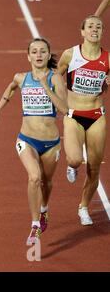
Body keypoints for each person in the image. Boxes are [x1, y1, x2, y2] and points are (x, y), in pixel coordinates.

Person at [0, 38, 68, 245]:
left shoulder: (56, 78)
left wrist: (46, 87)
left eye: (43, 51)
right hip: (27, 139)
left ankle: (44, 210)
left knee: (46, 182)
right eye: (34, 52)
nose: (39, 55)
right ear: (28, 56)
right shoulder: (21, 77)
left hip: (51, 142)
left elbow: (64, 109)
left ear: (49, 55)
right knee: (34, 177)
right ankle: (35, 226)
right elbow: (11, 87)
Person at [57, 15, 109, 226]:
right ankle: (71, 163)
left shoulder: (108, 58)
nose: (95, 30)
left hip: (96, 116)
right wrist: (61, 101)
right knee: (75, 160)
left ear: (102, 32)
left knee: (94, 168)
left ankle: (84, 207)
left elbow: (105, 86)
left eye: (99, 27)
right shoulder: (70, 55)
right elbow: (55, 77)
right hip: (74, 115)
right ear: (83, 32)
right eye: (90, 26)